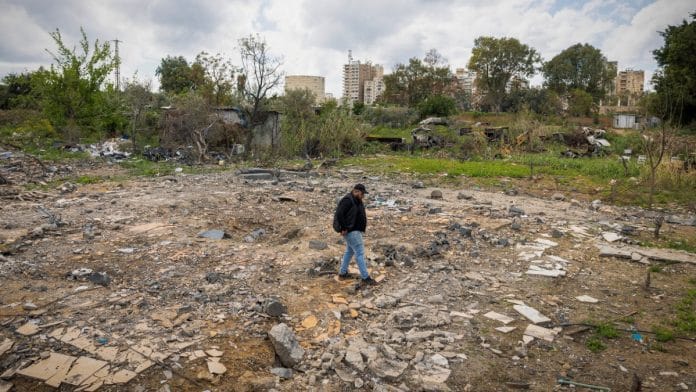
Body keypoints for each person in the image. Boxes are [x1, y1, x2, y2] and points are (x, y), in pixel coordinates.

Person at [334, 184, 376, 285]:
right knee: (360, 253)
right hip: (351, 230)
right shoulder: (347, 200)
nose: (363, 196)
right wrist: (343, 228)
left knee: (349, 251)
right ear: (356, 191)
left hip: (354, 230)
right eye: (362, 194)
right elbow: (339, 213)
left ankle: (342, 273)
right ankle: (365, 277)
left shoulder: (356, 199)